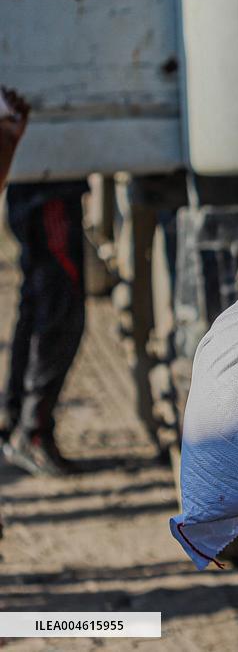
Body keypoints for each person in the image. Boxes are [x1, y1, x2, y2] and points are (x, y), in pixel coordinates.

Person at [0, 85, 89, 475]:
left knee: (41, 299)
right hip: (44, 188)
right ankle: (31, 430)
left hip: (40, 181)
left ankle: (19, 422)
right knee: (57, 305)